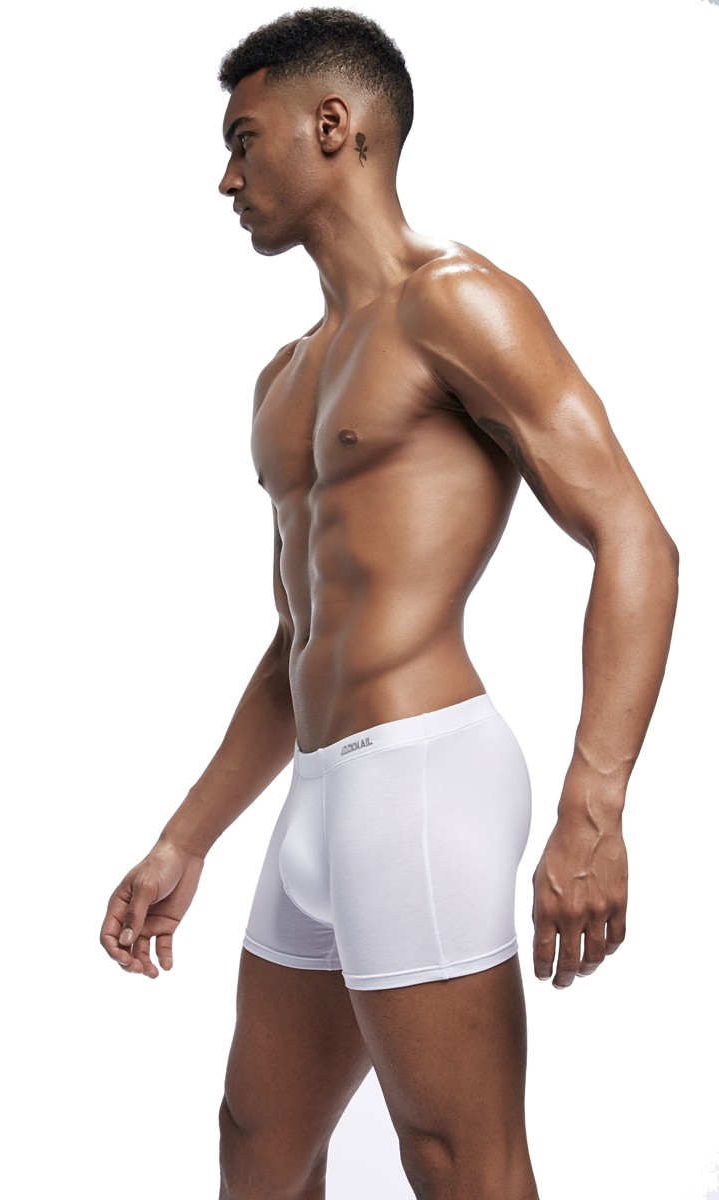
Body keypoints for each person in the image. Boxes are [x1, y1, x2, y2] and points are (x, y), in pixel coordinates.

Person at [100, 8, 678, 1197]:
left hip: (420, 779)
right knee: (257, 1141)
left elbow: (633, 537)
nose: (226, 178)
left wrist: (593, 805)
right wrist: (185, 836)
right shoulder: (287, 378)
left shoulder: (455, 303)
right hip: (319, 793)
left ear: (332, 125)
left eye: (242, 141)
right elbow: (297, 641)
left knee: (457, 1159)